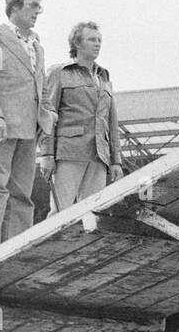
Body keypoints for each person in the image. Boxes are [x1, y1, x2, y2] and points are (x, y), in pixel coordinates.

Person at [0, 0, 47, 255]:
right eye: (32, 6)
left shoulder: (37, 45)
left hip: (30, 129)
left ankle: (17, 251)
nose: (37, 12)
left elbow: (42, 86)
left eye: (39, 7)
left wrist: (47, 116)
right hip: (2, 126)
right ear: (14, 7)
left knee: (22, 195)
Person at [39, 21, 125, 212]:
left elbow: (112, 122)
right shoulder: (59, 73)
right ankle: (55, 243)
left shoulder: (104, 77)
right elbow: (47, 114)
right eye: (92, 39)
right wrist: (46, 154)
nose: (97, 44)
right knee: (61, 213)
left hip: (99, 156)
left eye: (99, 40)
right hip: (69, 152)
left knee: (93, 215)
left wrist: (116, 160)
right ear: (77, 43)